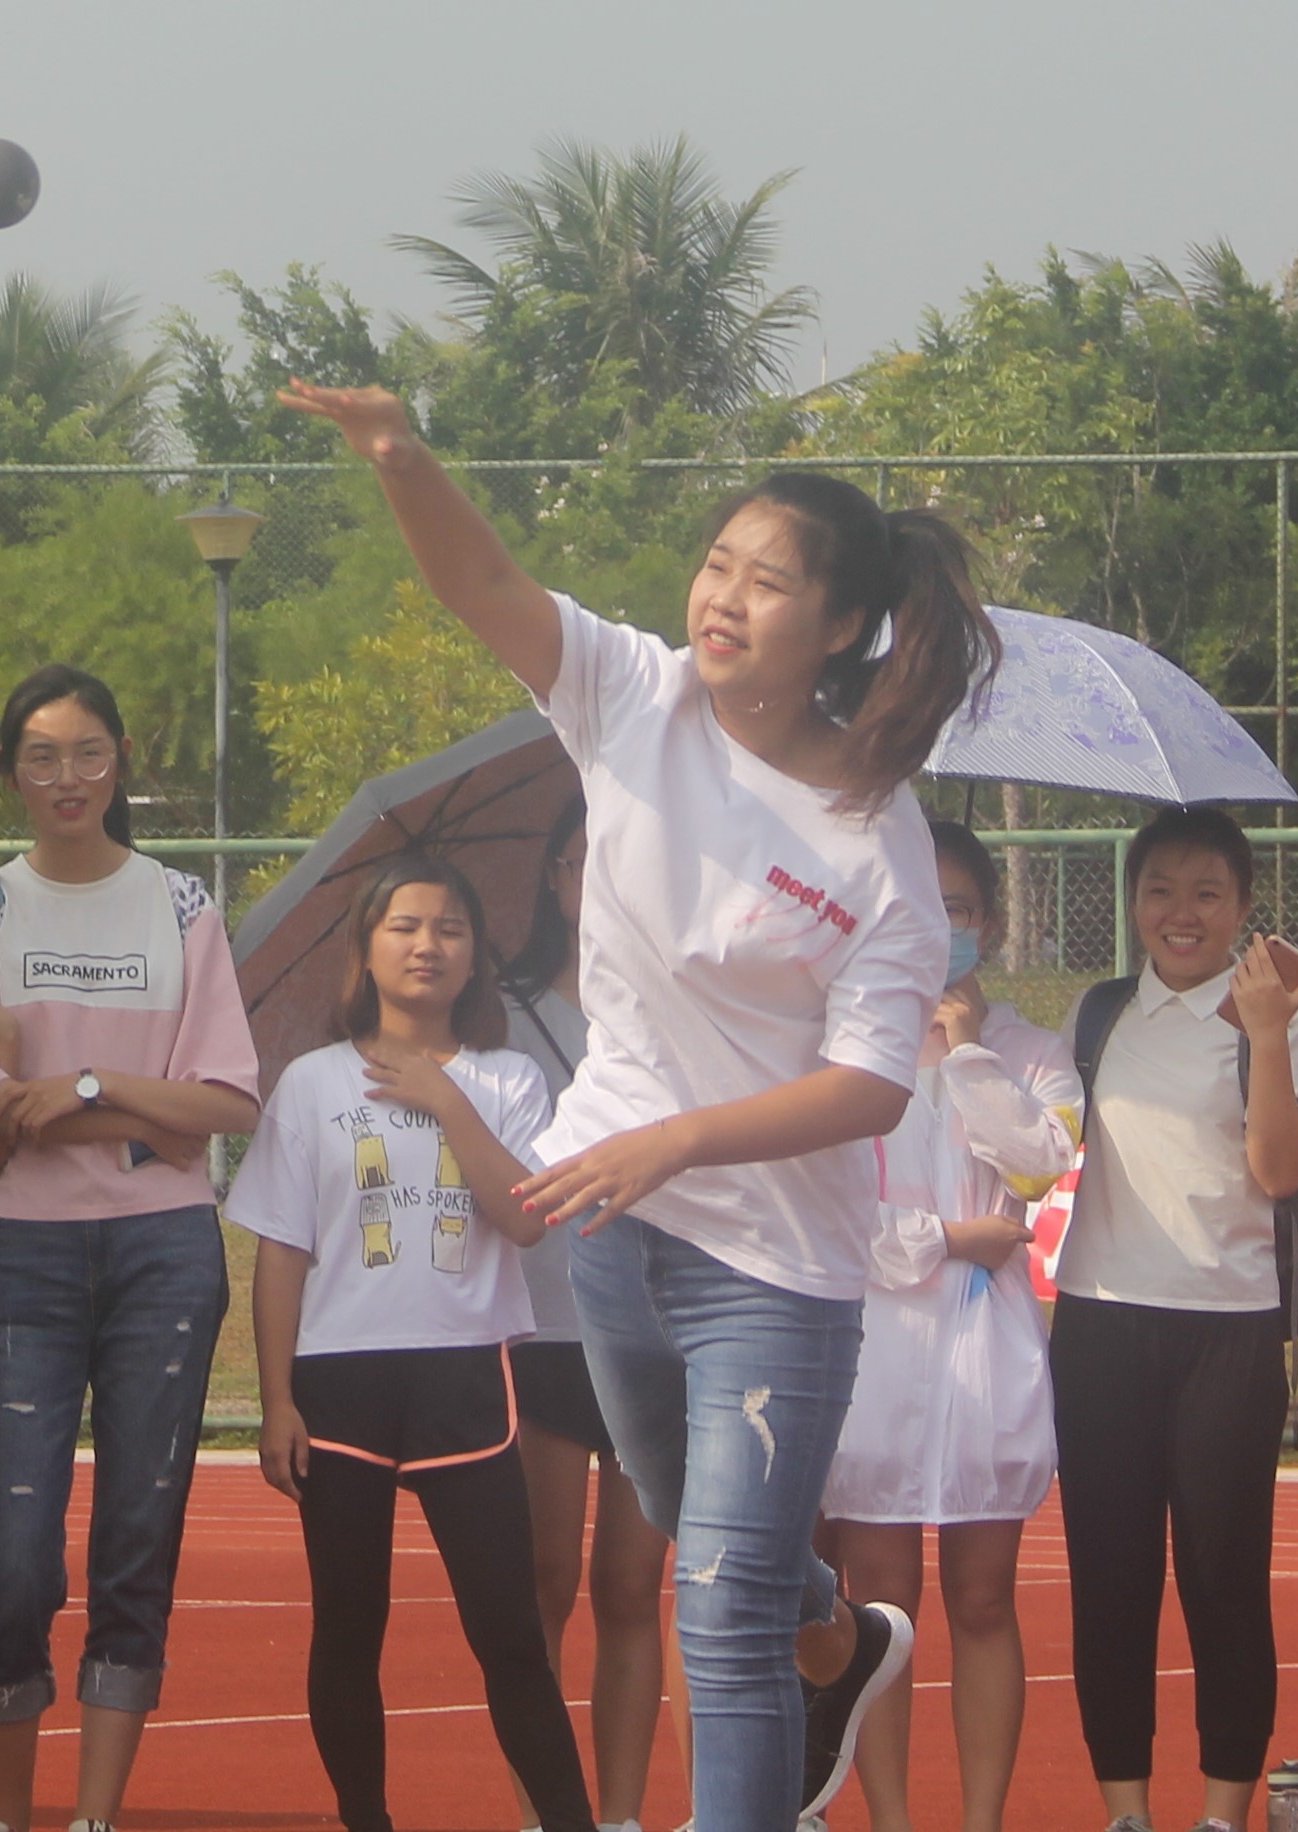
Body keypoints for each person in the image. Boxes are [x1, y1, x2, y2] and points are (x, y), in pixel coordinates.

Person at [282, 381, 996, 1832]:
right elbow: (480, 583)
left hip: (772, 1270)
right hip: (608, 1243)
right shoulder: (633, 691)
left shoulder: (873, 839)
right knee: (709, 1541)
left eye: (766, 582)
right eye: (716, 564)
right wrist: (395, 453)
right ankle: (841, 1639)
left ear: (841, 630)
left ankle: (780, 1703)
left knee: (715, 1618)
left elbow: (868, 1085)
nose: (722, 599)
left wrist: (671, 1140)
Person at [0, 666, 261, 1832]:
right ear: (9, 771)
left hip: (165, 1248)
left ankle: (92, 1816)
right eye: (40, 755)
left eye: (89, 753)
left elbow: (223, 1104)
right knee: (12, 1549)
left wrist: (72, 1081)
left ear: (123, 759)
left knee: (135, 1534)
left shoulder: (181, 906)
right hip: (20, 1251)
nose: (66, 777)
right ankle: (5, 1815)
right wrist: (133, 1107)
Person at [234, 853, 594, 1832]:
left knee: (510, 1632)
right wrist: (276, 1400)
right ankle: (364, 1817)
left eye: (448, 927)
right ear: (365, 947)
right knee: (348, 1625)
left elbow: (523, 1220)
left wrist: (446, 1103)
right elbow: (280, 1255)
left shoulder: (507, 1077)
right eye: (402, 925)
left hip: (466, 1381)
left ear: (477, 953)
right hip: (338, 1385)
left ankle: (570, 1818)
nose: (426, 944)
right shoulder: (310, 1084)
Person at [1048, 804, 1298, 1832]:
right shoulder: (1099, 1011)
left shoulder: (1281, 1016)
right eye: (1158, 887)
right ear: (1129, 900)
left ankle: (1220, 1812)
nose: (1180, 911)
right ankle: (1126, 1809)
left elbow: (1276, 1170)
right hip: (1099, 1326)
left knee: (1221, 1582)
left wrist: (1260, 1031)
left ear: (1243, 909)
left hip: (1228, 1331)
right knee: (1109, 1580)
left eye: (1206, 892)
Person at [818, 823, 1078, 1832]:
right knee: (879, 1609)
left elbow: (1033, 1164)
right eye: (920, 904)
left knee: (981, 1598)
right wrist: (945, 1237)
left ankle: (978, 1819)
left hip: (982, 1360)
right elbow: (840, 1216)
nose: (940, 925)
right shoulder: (850, 1047)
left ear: (990, 922)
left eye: (959, 907)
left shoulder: (1030, 1049)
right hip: (873, 1359)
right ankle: (887, 1816)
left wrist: (967, 1050)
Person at [498, 798, 674, 1832]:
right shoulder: (505, 1011)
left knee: (628, 1585)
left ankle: (615, 1816)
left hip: (653, 1328)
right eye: (579, 860)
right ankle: (540, 1812)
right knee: (543, 1581)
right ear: (555, 878)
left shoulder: (667, 1013)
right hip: (544, 1329)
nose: (596, 881)